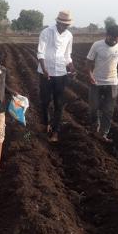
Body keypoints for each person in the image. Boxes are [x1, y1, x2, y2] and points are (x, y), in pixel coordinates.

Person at [86, 25, 118, 142]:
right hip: (96, 82)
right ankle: (94, 126)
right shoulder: (97, 45)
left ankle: (103, 134)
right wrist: (90, 75)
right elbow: (88, 62)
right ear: (107, 35)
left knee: (108, 110)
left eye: (117, 38)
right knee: (93, 107)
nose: (114, 40)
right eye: (112, 38)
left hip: (112, 82)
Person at [37, 10, 76, 142]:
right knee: (45, 101)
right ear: (57, 22)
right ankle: (45, 123)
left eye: (67, 25)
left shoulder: (69, 36)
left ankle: (55, 131)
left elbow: (67, 55)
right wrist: (44, 69)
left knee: (59, 104)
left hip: (60, 73)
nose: (65, 26)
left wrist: (71, 66)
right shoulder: (46, 32)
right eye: (63, 24)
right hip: (45, 73)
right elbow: (40, 53)